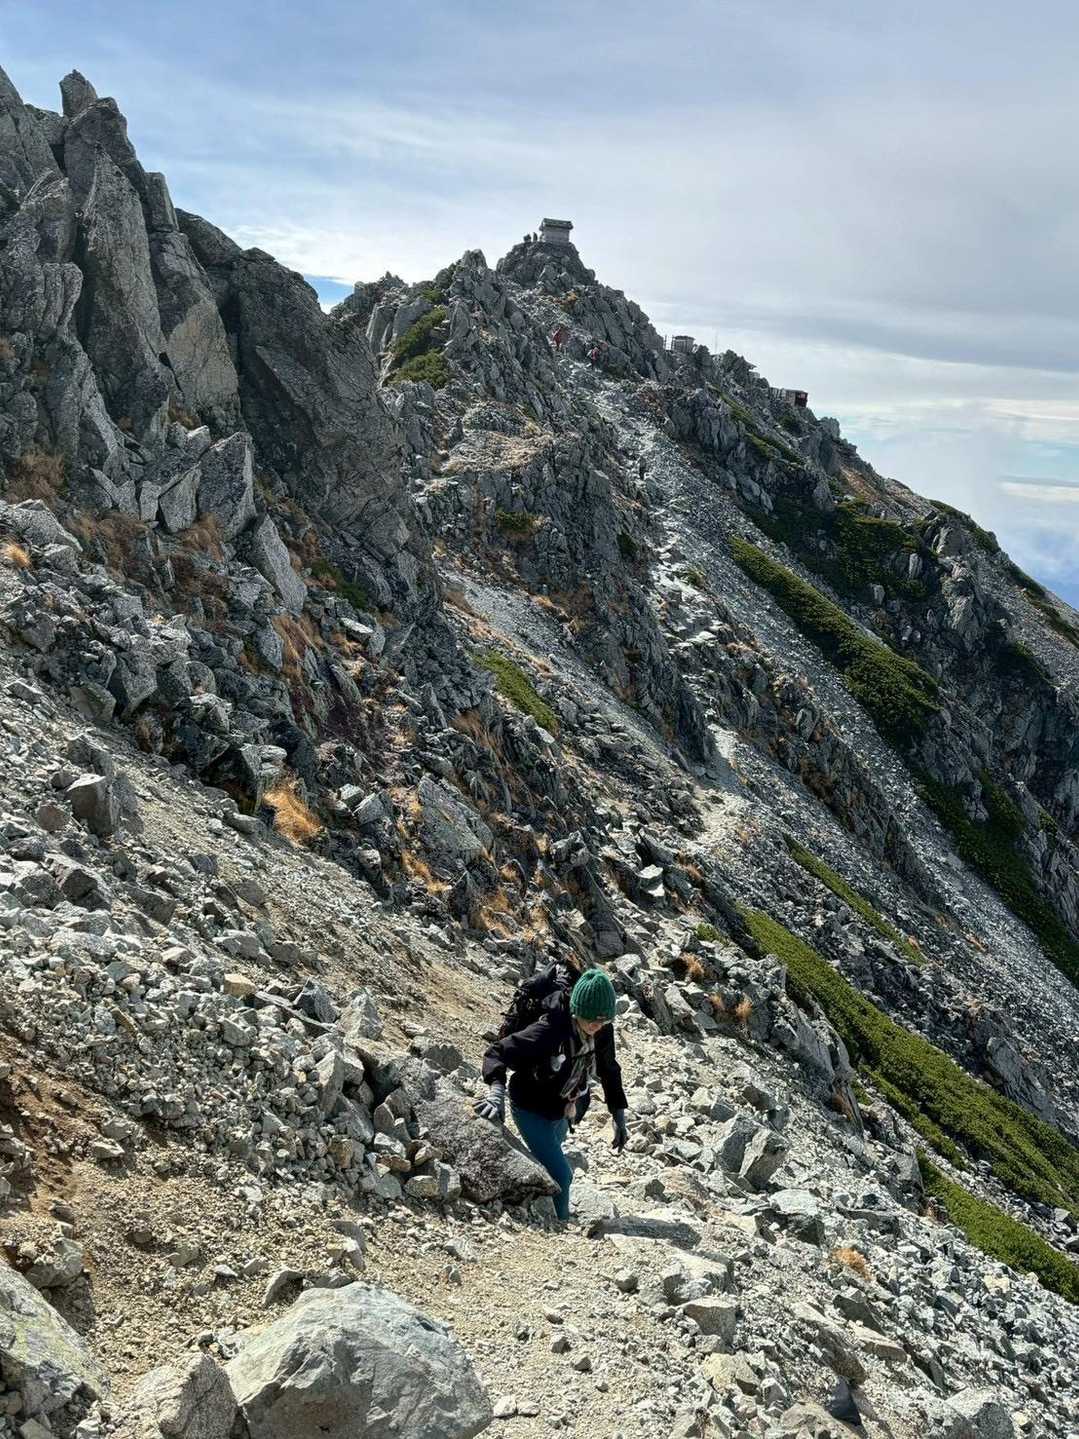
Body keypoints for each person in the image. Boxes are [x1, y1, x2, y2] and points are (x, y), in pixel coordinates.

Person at [476, 968, 628, 1222]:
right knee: (562, 1174)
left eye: (603, 1020)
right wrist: (496, 1093)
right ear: (577, 1010)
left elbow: (609, 1070)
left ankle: (537, 1207)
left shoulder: (602, 1030)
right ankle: (562, 1225)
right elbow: (498, 1052)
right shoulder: (550, 1029)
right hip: (530, 1108)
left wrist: (618, 1115)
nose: (596, 1025)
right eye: (590, 1018)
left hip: (564, 1109)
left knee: (548, 1165)